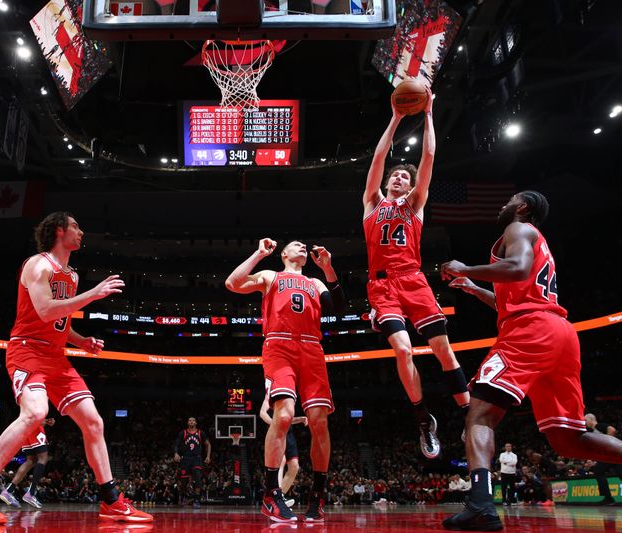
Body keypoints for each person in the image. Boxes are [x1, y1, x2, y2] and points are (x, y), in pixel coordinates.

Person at [441, 191, 622, 530]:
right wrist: (476, 289)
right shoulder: (537, 241)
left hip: (530, 331)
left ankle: (480, 503)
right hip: (559, 333)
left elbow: (517, 268)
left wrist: (467, 268)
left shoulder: (518, 229)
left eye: (508, 200)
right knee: (568, 439)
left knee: (480, 414)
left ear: (522, 208)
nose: (502, 206)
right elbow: (515, 297)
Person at [0, 212, 152, 525]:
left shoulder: (72, 275)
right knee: (35, 412)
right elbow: (46, 310)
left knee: (93, 421)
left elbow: (60, 322)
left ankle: (111, 500)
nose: (82, 231)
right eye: (76, 226)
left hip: (56, 356)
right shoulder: (38, 265)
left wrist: (81, 340)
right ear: (60, 230)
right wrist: (94, 294)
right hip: (27, 350)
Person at [363, 91, 469, 459]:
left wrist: (429, 116)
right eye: (395, 176)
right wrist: (394, 117)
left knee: (442, 349)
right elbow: (378, 158)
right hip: (382, 284)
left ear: (410, 187)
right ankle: (422, 417)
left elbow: (429, 157)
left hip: (413, 279)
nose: (398, 178)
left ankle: (470, 414)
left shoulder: (416, 204)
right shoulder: (372, 202)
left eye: (404, 177)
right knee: (403, 348)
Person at [226, 239, 346, 523]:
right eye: (296, 245)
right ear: (283, 254)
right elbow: (232, 283)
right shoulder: (271, 276)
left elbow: (339, 308)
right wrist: (258, 254)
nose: (303, 247)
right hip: (279, 346)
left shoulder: (316, 283)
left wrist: (328, 268)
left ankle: (317, 495)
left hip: (312, 348)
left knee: (319, 420)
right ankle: (271, 494)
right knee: (284, 415)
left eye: (305, 246)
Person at [258, 394, 308, 507]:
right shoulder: (270, 394)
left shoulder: (290, 396)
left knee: (294, 466)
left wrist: (299, 419)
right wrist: (275, 424)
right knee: (281, 462)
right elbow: (262, 413)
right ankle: (276, 499)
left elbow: (287, 419)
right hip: (276, 432)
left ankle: (280, 497)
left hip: (288, 433)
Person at [0, 417, 56, 509]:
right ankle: (31, 493)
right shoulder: (38, 403)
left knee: (31, 460)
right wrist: (44, 421)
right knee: (43, 458)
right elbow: (36, 414)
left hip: (25, 429)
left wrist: (45, 421)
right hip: (35, 428)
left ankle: (8, 490)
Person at [173, 417, 211, 508]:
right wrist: (176, 454)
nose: (191, 421)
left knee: (198, 478)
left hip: (196, 459)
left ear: (196, 423)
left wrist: (208, 456)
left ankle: (197, 500)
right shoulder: (183, 433)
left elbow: (208, 444)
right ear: (187, 423)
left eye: (193, 420)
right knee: (184, 482)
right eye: (189, 420)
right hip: (185, 459)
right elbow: (176, 445)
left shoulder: (200, 433)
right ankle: (183, 496)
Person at [585, 413, 620, 505]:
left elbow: (612, 430)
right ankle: (608, 498)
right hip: (611, 456)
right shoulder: (592, 433)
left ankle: (609, 498)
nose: (585, 423)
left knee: (599, 471)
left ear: (591, 420)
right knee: (598, 471)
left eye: (586, 420)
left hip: (616, 453)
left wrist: (608, 444)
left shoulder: (598, 426)